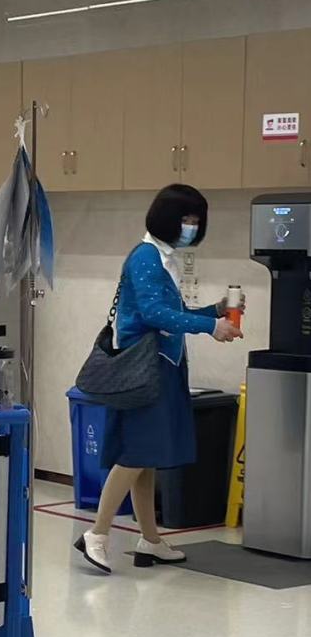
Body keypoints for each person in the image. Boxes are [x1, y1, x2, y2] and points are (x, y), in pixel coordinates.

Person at [75, 183, 243, 575]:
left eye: (196, 220)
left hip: (161, 366)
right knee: (135, 456)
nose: (191, 226)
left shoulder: (163, 258)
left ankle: (149, 539)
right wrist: (210, 327)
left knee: (144, 458)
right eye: (186, 219)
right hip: (145, 369)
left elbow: (174, 313)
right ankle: (97, 534)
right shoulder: (146, 257)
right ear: (168, 218)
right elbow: (153, 314)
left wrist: (214, 311)